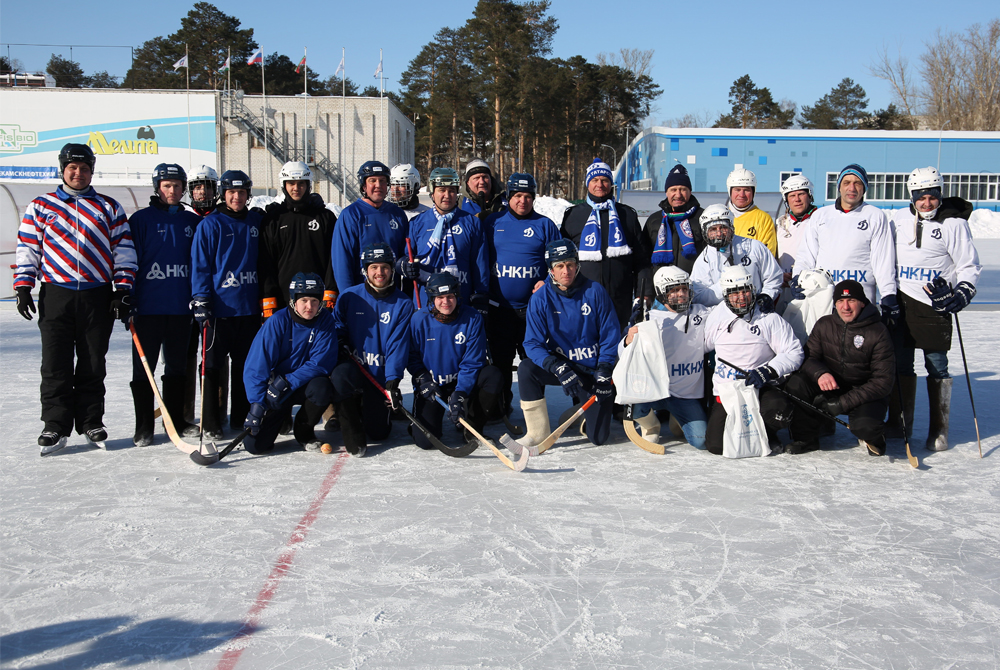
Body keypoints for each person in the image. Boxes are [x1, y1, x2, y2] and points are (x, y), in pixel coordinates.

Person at [14, 143, 137, 454]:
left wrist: (122, 288)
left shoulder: (108, 207)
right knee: (55, 362)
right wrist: (24, 286)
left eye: (84, 168)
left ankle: (90, 421)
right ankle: (54, 425)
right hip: (57, 293)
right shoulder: (42, 206)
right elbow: (28, 248)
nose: (78, 173)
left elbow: (123, 250)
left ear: (91, 171)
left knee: (93, 361)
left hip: (97, 294)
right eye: (72, 168)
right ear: (62, 169)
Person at [888, 166, 981, 451]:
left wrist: (963, 289)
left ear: (940, 194)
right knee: (901, 364)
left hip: (934, 303)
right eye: (920, 197)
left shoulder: (954, 224)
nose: (927, 203)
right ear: (911, 196)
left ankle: (939, 430)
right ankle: (899, 423)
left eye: (932, 196)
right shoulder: (898, 219)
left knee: (936, 364)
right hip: (902, 301)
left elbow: (968, 264)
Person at [518, 239, 621, 447]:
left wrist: (604, 368)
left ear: (577, 265)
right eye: (560, 266)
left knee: (599, 438)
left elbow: (611, 334)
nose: (566, 271)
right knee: (526, 369)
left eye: (570, 264)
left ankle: (582, 413)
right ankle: (537, 432)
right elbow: (532, 343)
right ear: (551, 270)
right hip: (565, 367)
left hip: (592, 370)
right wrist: (557, 366)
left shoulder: (595, 291)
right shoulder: (540, 298)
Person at [128, 163, 202, 446]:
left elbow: (199, 265)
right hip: (147, 309)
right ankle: (144, 425)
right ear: (157, 187)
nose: (172, 191)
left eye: (177, 186)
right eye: (166, 185)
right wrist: (128, 296)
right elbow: (128, 262)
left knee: (177, 368)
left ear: (184, 188)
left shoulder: (192, 222)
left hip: (180, 309)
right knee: (142, 369)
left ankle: (177, 420)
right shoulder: (141, 220)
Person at [190, 169, 262, 440]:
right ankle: (210, 420)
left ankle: (242, 415)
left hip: (249, 309)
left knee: (246, 366)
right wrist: (201, 298)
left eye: (241, 192)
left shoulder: (256, 221)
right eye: (231, 192)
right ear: (223, 193)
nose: (236, 197)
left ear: (248, 194)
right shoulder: (211, 224)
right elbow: (200, 265)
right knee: (212, 366)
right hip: (219, 310)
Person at [783, 280, 894, 456]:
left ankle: (875, 437)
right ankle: (806, 438)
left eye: (851, 301)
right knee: (797, 383)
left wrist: (843, 403)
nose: (846, 307)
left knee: (866, 427)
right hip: (832, 386)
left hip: (864, 394)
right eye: (840, 302)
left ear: (862, 303)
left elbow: (883, 382)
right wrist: (821, 373)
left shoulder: (878, 331)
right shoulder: (825, 324)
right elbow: (807, 358)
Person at [484, 172, 562, 416]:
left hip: (532, 311)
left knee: (533, 363)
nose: (523, 201)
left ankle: (535, 414)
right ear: (508, 197)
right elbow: (479, 258)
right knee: (501, 364)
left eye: (528, 196)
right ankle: (500, 408)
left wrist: (547, 282)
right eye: (517, 195)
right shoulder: (493, 222)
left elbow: (559, 262)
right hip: (500, 310)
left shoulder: (545, 225)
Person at [703, 266, 804, 455]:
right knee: (717, 446)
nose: (741, 298)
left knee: (779, 412)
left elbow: (794, 352)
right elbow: (700, 345)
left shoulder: (767, 316)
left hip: (761, 388)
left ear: (753, 290)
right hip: (728, 392)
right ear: (725, 295)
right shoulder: (717, 316)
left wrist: (768, 370)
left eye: (745, 291)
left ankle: (767, 433)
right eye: (734, 293)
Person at [329, 243, 414, 457]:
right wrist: (340, 339)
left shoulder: (403, 303)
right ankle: (351, 427)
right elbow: (338, 325)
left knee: (379, 433)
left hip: (379, 377)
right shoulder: (349, 297)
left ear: (392, 269)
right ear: (365, 269)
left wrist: (393, 379)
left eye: (384, 267)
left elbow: (398, 344)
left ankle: (367, 407)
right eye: (373, 267)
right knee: (340, 375)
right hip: (355, 369)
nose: (379, 273)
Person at [242, 273, 338, 454]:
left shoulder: (325, 321)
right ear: (294, 300)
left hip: (301, 384)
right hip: (276, 390)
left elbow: (321, 363)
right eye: (304, 301)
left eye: (314, 301)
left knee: (322, 387)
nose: (309, 307)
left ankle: (304, 430)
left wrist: (289, 381)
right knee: (255, 446)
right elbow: (256, 366)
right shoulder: (277, 322)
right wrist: (257, 403)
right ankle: (281, 417)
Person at [407, 272, 502, 449]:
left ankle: (473, 428)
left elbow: (472, 362)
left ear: (457, 296)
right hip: (434, 386)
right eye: (440, 297)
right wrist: (422, 378)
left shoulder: (472, 318)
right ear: (431, 298)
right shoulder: (418, 319)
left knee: (492, 375)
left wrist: (460, 393)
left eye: (450, 296)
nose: (446, 302)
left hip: (463, 382)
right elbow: (412, 357)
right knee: (426, 442)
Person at [795, 164, 899, 322]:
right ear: (839, 187)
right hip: (825, 297)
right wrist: (798, 278)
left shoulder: (875, 216)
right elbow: (807, 254)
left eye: (857, 183)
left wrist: (888, 294)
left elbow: (883, 261)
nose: (852, 187)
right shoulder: (821, 216)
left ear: (864, 188)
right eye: (846, 182)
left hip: (860, 300)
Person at [619, 266, 709, 448]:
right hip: (653, 389)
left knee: (701, 440)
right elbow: (623, 356)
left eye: (684, 289)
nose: (681, 294)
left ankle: (677, 418)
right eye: (674, 290)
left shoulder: (702, 313)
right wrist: (629, 339)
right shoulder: (649, 318)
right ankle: (651, 425)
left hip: (685, 394)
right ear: (661, 292)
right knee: (635, 408)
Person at [561, 158, 652, 329]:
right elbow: (562, 259)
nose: (600, 184)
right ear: (588, 184)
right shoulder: (573, 216)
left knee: (619, 352)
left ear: (611, 183)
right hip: (581, 298)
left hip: (620, 301)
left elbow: (642, 260)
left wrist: (644, 293)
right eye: (595, 180)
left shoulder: (627, 215)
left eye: (604, 180)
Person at [400, 167, 489, 310]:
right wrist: (403, 265)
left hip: (461, 301)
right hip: (425, 302)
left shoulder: (472, 223)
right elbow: (406, 257)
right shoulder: (417, 223)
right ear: (432, 193)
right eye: (442, 190)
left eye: (451, 190)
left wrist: (481, 294)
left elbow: (480, 264)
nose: (447, 195)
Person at [259, 161, 337, 318]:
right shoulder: (273, 219)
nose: (296, 188)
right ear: (284, 185)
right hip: (283, 300)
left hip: (317, 300)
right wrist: (269, 301)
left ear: (308, 185)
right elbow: (265, 263)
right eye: (291, 183)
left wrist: (330, 295)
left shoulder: (325, 217)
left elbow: (333, 259)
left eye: (301, 183)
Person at [330, 161, 408, 292]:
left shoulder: (397, 214)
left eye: (382, 181)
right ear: (364, 186)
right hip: (362, 294)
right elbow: (342, 262)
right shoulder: (351, 215)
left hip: (391, 294)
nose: (378, 185)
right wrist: (348, 296)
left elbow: (403, 254)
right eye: (372, 181)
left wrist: (405, 264)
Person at [690, 204, 782, 310]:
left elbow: (774, 276)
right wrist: (727, 286)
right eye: (713, 229)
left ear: (731, 227)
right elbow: (699, 296)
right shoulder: (703, 260)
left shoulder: (755, 247)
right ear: (705, 232)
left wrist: (767, 295)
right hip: (725, 316)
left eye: (723, 227)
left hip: (756, 311)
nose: (719, 233)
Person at [644, 164, 706, 275]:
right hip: (661, 286)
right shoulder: (654, 220)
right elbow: (643, 259)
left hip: (694, 285)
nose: (678, 195)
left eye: (683, 189)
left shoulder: (703, 218)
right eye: (673, 190)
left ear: (690, 191)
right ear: (666, 192)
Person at [775, 173, 818, 292]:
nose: (797, 199)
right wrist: (779, 275)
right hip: (786, 286)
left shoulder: (820, 221)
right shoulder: (780, 224)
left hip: (813, 285)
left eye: (801, 194)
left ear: (809, 195)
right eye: (792, 195)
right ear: (786, 200)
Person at [726, 168, 777, 257]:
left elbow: (767, 255)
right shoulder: (722, 216)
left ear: (753, 192)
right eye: (737, 190)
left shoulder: (763, 219)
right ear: (730, 191)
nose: (742, 195)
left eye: (746, 190)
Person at [460, 157, 505, 222]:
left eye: (485, 177)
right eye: (476, 178)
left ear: (491, 179)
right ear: (468, 183)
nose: (482, 182)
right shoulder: (459, 203)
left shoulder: (506, 200)